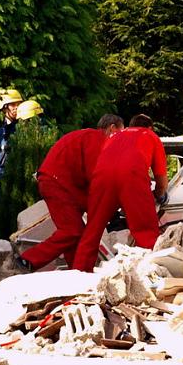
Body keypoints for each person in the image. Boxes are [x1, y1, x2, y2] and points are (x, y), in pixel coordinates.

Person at [16, 114, 124, 273]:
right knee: (72, 230)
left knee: (76, 232)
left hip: (60, 184)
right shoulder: (98, 140)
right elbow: (96, 178)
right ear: (112, 128)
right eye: (120, 133)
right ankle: (29, 260)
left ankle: (77, 272)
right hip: (58, 184)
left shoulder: (88, 137)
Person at [72, 114, 167, 272]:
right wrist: (160, 195)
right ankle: (151, 275)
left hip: (102, 176)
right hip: (132, 176)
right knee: (146, 231)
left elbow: (109, 161)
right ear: (150, 128)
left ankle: (79, 272)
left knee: (93, 230)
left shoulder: (115, 136)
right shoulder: (150, 135)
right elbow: (161, 179)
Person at [0, 88, 24, 177]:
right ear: (4, 108)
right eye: (13, 105)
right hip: (2, 179)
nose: (17, 108)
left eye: (19, 104)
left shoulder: (24, 129)